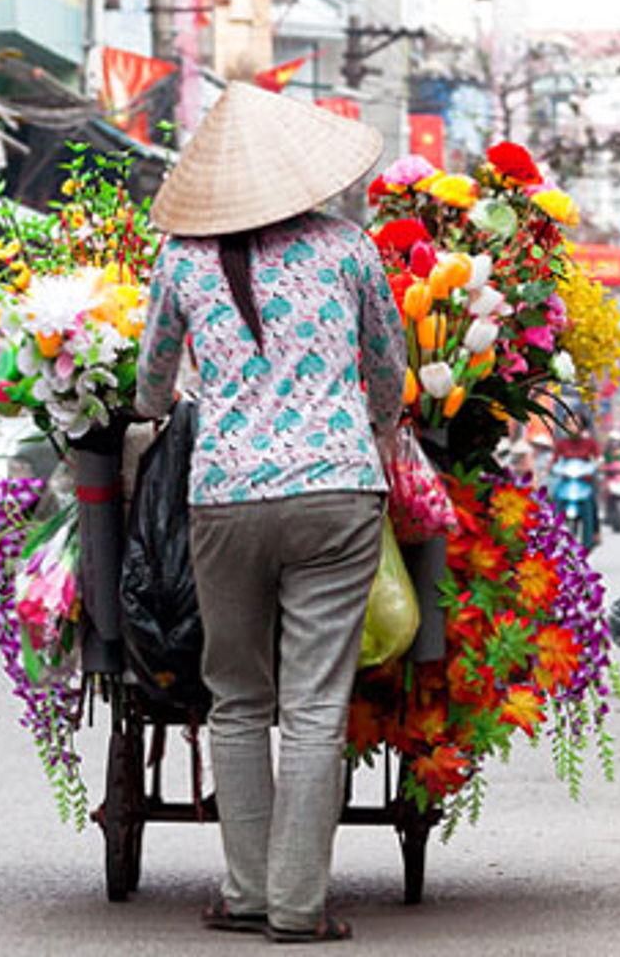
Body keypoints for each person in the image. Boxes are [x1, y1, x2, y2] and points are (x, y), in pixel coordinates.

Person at [134, 83, 403, 944]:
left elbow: (151, 386)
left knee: (237, 699)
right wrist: (381, 429)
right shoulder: (349, 248)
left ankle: (247, 893)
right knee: (316, 705)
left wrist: (169, 402)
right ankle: (297, 906)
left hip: (223, 497)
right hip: (337, 491)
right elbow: (387, 368)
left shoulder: (180, 260)